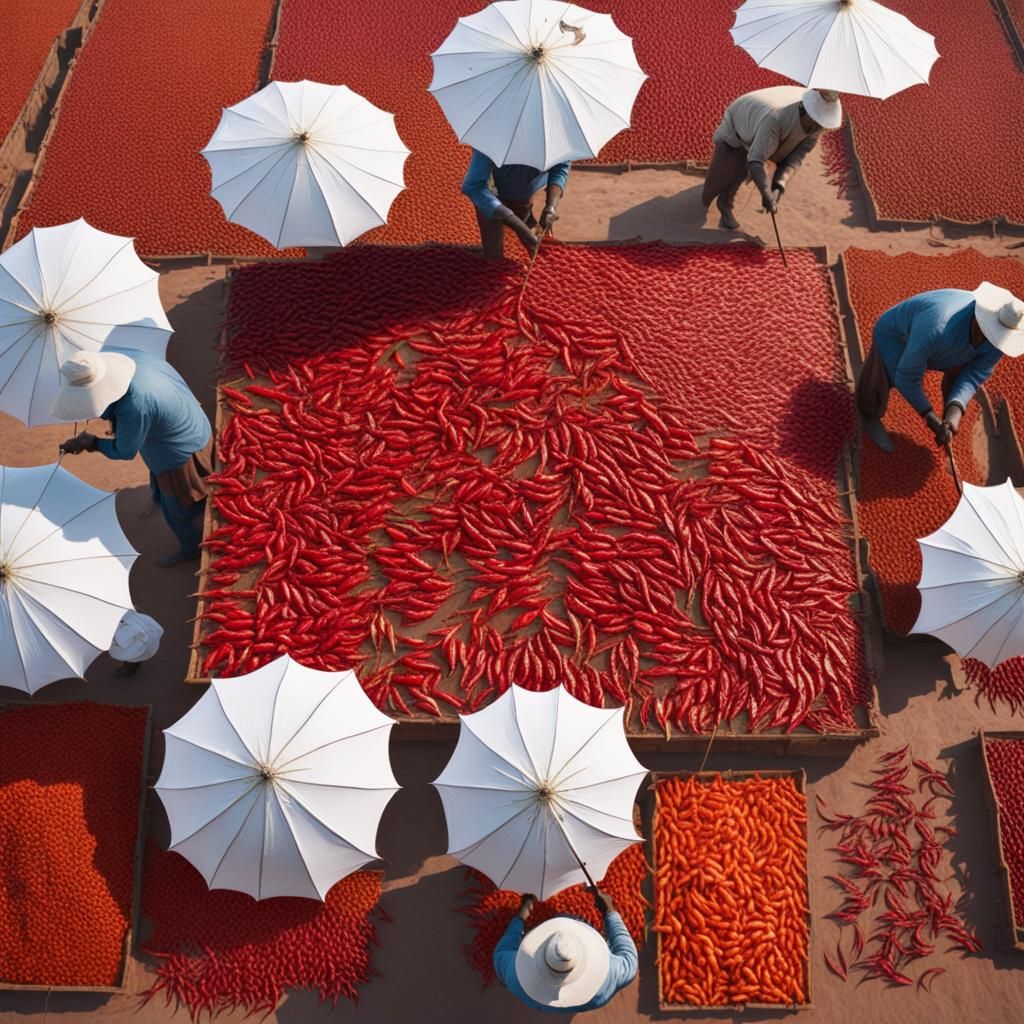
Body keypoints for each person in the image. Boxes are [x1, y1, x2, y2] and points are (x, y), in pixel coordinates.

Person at [54, 349, 213, 567]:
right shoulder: (133, 358)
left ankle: (190, 547)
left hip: (180, 453)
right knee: (163, 481)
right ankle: (165, 498)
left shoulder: (134, 407)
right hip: (193, 424)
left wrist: (92, 443)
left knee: (177, 511)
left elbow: (124, 451)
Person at [857, 283, 1024, 453]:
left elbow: (973, 375)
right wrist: (929, 416)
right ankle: (868, 410)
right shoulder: (937, 326)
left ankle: (948, 416)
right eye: (986, 334)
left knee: (955, 384)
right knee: (884, 376)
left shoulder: (997, 342)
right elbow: (906, 377)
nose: (987, 340)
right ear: (978, 317)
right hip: (897, 337)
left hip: (942, 349)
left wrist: (953, 415)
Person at [702, 86, 842, 230]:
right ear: (805, 111)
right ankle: (723, 202)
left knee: (744, 169)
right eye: (814, 123)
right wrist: (765, 193)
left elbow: (795, 159)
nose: (815, 129)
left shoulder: (814, 130)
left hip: (763, 126)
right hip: (742, 119)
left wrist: (779, 185)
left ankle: (725, 202)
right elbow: (756, 161)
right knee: (728, 170)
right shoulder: (776, 119)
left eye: (821, 125)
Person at [493, 889, 638, 1013]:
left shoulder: (517, 979)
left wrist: (522, 914)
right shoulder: (609, 974)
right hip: (591, 1002)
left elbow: (502, 952)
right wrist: (609, 911)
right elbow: (630, 959)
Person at [461, 148, 570, 259]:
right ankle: (493, 257)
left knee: (537, 252)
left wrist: (550, 207)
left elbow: (560, 167)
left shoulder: (551, 140)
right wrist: (517, 226)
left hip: (524, 201)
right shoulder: (491, 141)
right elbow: (474, 187)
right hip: (495, 199)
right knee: (494, 259)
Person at [109, 610, 163, 677]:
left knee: (132, 658)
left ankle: (130, 670)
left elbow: (118, 641)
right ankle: (133, 665)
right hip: (140, 644)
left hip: (134, 648)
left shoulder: (126, 630)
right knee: (135, 655)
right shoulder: (131, 616)